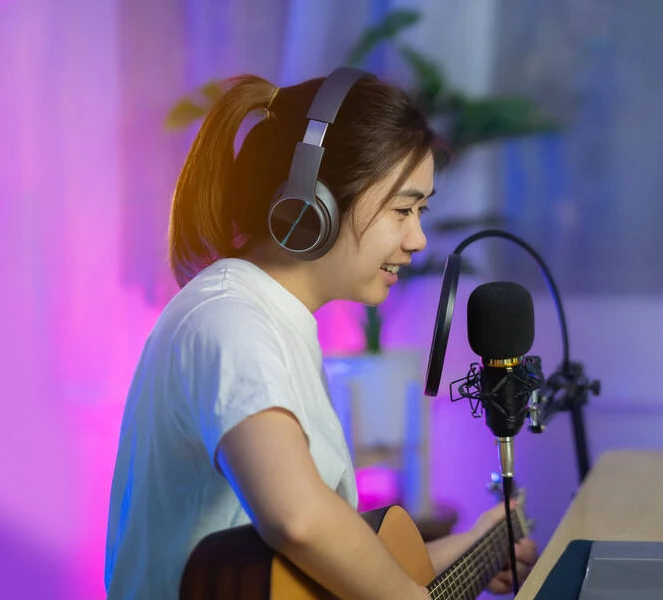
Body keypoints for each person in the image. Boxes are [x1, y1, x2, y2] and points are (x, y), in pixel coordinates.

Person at [103, 69, 538, 599]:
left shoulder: (276, 321)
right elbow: (298, 517)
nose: (418, 238)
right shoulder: (230, 317)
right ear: (314, 203)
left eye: (421, 213)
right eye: (403, 210)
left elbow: (330, 571)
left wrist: (475, 546)